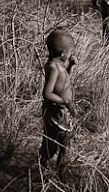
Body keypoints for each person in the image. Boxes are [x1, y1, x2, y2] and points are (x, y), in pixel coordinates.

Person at [40, 28, 77, 179]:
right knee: (57, 144)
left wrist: (71, 67)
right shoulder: (53, 68)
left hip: (61, 111)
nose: (71, 55)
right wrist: (65, 102)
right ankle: (56, 172)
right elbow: (47, 93)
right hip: (57, 112)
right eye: (70, 52)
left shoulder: (57, 65)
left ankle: (57, 170)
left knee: (61, 142)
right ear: (63, 53)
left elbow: (62, 82)